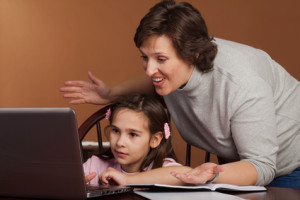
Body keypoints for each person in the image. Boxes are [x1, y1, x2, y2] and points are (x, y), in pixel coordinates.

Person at [60, 0, 300, 188]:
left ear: (193, 55)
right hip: (237, 165)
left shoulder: (243, 84)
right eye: (145, 57)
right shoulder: (172, 73)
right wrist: (111, 93)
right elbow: (152, 81)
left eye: (161, 59)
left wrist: (203, 177)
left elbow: (262, 165)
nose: (150, 70)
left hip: (288, 165)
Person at [83, 93, 190, 185]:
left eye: (133, 134)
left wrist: (126, 180)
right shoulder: (95, 165)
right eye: (115, 131)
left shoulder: (162, 168)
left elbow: (189, 174)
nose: (120, 142)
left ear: (155, 140)